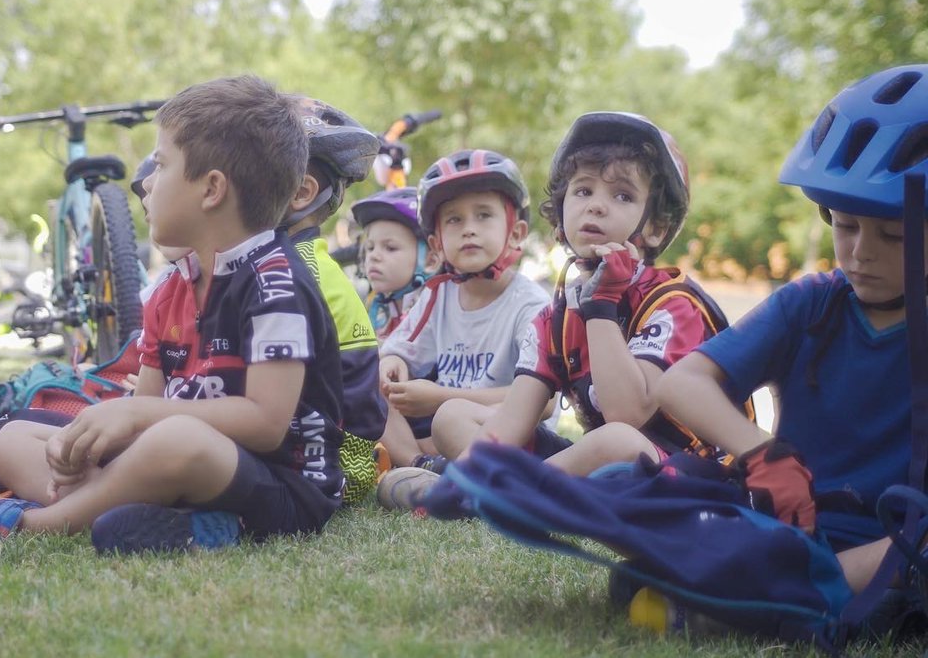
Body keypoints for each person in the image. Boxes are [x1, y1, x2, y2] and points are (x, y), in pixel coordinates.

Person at [0, 75, 347, 554]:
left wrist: (133, 412)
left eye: (161, 164)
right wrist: (93, 445)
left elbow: (264, 423)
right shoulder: (171, 288)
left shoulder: (275, 283)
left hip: (283, 487)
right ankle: (175, 520)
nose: (148, 184)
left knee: (179, 439)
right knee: (14, 437)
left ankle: (38, 523)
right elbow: (147, 416)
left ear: (212, 189)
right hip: (183, 469)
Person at [656, 64, 928, 599]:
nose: (858, 252)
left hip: (899, 543)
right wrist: (763, 453)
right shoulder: (812, 304)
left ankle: (776, 592)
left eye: (892, 234)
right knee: (638, 475)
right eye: (844, 225)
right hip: (790, 526)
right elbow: (682, 382)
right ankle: (781, 588)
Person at [385, 113, 727, 510]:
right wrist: (481, 457)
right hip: (596, 466)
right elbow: (512, 423)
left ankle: (485, 495)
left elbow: (627, 413)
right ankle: (496, 489)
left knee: (617, 440)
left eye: (622, 196)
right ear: (562, 210)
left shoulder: (672, 304)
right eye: (582, 192)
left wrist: (601, 305)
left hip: (683, 472)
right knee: (452, 416)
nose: (596, 207)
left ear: (655, 227)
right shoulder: (555, 317)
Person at [374, 148, 551, 480]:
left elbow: (544, 404)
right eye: (454, 219)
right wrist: (390, 364)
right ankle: (422, 469)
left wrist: (441, 397)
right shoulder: (437, 295)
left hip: (511, 437)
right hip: (442, 436)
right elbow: (398, 351)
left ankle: (486, 481)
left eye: (483, 215)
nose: (469, 229)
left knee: (451, 415)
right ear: (437, 243)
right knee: (368, 376)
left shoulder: (531, 305)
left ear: (516, 233)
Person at [280, 96, 388, 504]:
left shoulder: (291, 272)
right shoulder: (298, 261)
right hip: (332, 455)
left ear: (300, 192)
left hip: (326, 467)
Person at [351, 187, 439, 340]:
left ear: (430, 261)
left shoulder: (439, 312)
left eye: (390, 248)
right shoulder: (373, 307)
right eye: (370, 247)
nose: (373, 256)